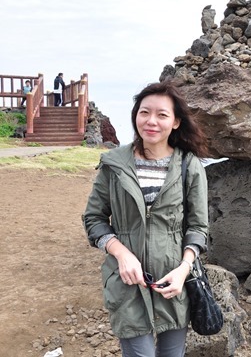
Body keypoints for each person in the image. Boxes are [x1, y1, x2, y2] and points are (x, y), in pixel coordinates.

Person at [82, 81, 210, 357]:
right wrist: (121, 254)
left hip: (174, 282)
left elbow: (199, 228)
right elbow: (94, 219)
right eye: (144, 112)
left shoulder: (189, 166)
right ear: (135, 116)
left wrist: (184, 268)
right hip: (127, 282)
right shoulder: (114, 164)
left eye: (162, 115)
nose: (151, 121)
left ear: (175, 122)